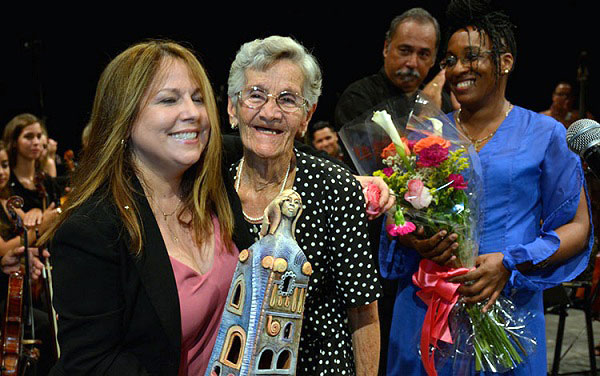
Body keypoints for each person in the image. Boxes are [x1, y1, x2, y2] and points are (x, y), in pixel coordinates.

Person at [379, 1, 593, 375]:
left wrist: (511, 263)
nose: (459, 68)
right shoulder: (426, 135)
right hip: (425, 309)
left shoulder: (544, 134)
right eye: (450, 59)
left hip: (507, 310)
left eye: (472, 57)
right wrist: (411, 237)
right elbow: (397, 217)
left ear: (505, 61)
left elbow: (577, 227)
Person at [40, 40, 241, 375]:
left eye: (198, 98)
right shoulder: (92, 229)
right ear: (125, 117)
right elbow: (93, 364)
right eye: (168, 99)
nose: (192, 113)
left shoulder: (220, 179)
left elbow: (275, 148)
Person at [225, 35, 383, 376]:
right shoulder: (211, 185)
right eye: (255, 95)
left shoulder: (335, 188)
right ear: (232, 107)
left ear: (306, 116)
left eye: (287, 99)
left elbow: (363, 312)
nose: (269, 111)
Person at [334, 7, 456, 133]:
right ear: (386, 48)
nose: (412, 63)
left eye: (423, 54)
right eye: (405, 50)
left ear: (433, 60)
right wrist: (424, 117)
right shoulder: (357, 97)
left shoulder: (443, 102)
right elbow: (367, 150)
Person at [2, 113, 62, 228]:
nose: (36, 142)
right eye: (28, 137)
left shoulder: (46, 180)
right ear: (14, 142)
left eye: (39, 136)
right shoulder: (5, 183)